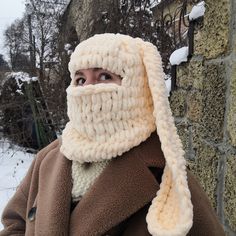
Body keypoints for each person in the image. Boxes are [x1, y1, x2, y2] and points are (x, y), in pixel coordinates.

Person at [0, 33, 225, 236]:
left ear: (135, 86)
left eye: (105, 76)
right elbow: (15, 224)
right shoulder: (49, 157)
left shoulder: (167, 175)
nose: (88, 88)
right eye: (80, 79)